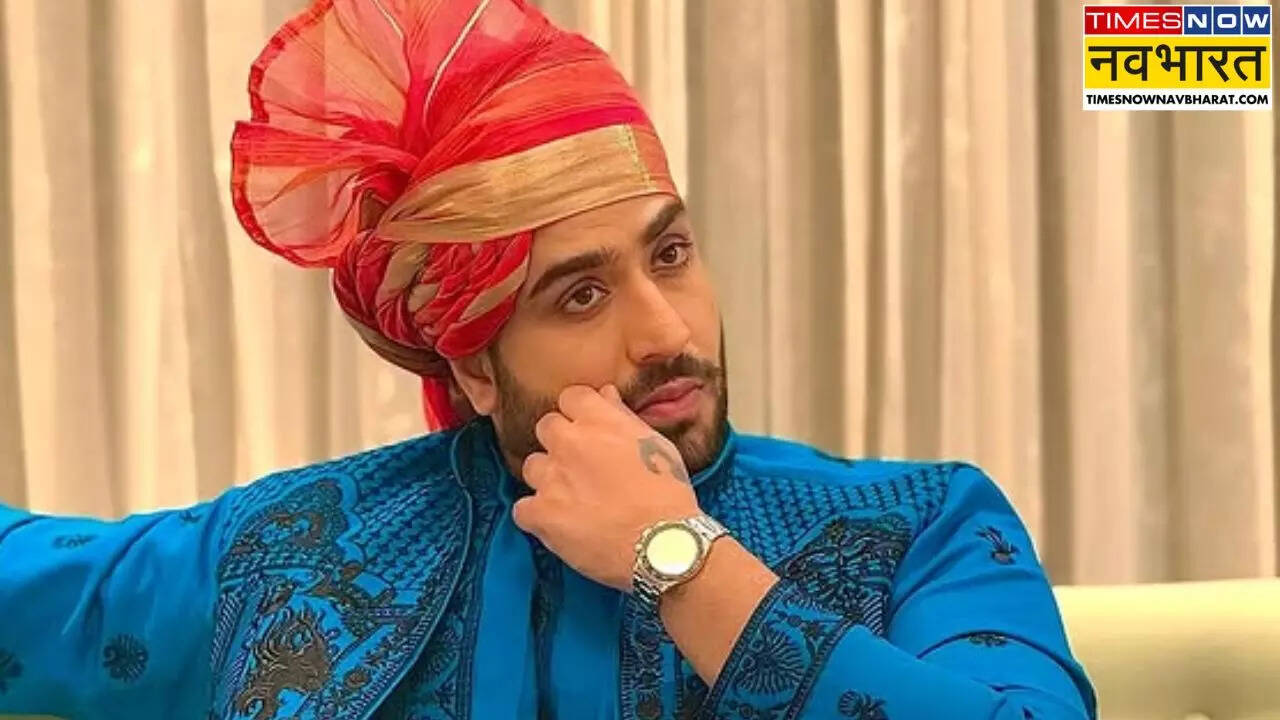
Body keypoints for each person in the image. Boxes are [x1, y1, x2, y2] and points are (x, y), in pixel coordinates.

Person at [0, 1, 1096, 718]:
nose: (665, 331)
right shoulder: (293, 552)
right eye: (580, 293)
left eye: (670, 254)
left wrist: (682, 563)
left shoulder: (917, 525)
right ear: (474, 366)